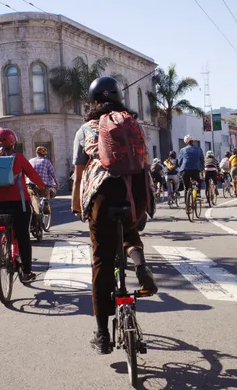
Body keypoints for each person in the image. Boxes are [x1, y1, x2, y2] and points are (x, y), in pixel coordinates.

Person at [71, 76, 157, 354]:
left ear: (93, 101)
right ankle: (141, 267)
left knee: (101, 260)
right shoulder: (133, 124)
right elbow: (144, 162)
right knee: (130, 231)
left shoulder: (86, 128)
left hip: (102, 194)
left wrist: (76, 201)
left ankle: (102, 334)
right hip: (136, 192)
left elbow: (79, 173)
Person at [0, 128, 45, 284]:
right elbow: (33, 175)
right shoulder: (18, 158)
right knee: (23, 236)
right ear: (13, 142)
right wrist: (43, 187)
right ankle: (26, 271)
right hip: (18, 203)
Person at [28, 146, 59, 216]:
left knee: (33, 197)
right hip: (43, 185)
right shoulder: (46, 161)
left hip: (31, 185)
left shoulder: (30, 161)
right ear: (44, 154)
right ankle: (45, 202)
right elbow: (52, 173)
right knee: (46, 194)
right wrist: (56, 183)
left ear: (36, 153)